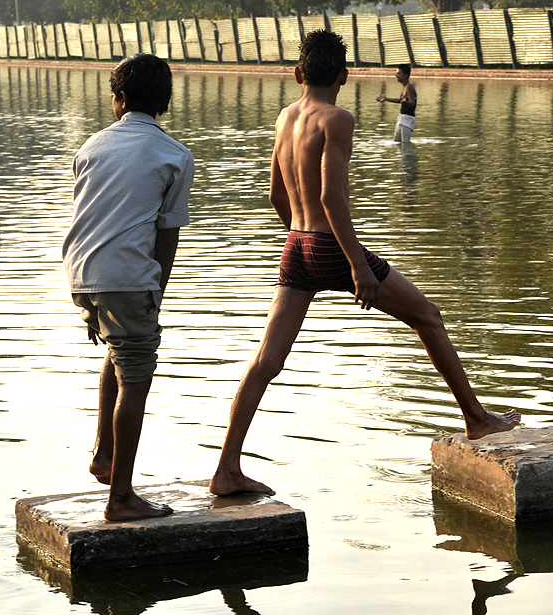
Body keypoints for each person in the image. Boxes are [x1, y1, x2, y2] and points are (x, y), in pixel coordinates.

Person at [210, 31, 519, 497]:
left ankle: (226, 468)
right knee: (428, 317)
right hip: (331, 246)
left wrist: (300, 239)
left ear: (297, 74)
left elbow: (276, 195)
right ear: (344, 76)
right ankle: (476, 419)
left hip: (296, 246)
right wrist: (355, 265)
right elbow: (331, 197)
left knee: (264, 362)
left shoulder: (284, 117)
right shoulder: (337, 118)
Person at [63, 53, 194, 522]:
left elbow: (92, 212)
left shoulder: (90, 147)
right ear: (165, 103)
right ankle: (121, 497)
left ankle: (103, 453)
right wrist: (155, 291)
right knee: (137, 375)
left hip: (81, 272)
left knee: (120, 354)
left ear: (118, 101)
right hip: (125, 276)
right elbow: (167, 235)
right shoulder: (175, 156)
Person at [376, 64, 416, 143]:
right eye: (396, 73)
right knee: (396, 141)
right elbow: (400, 100)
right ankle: (399, 155)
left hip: (408, 118)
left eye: (399, 74)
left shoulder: (409, 86)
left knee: (405, 142)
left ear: (405, 75)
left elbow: (412, 103)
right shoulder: (404, 86)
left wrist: (405, 102)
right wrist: (386, 99)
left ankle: (408, 155)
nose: (396, 76)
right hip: (401, 117)